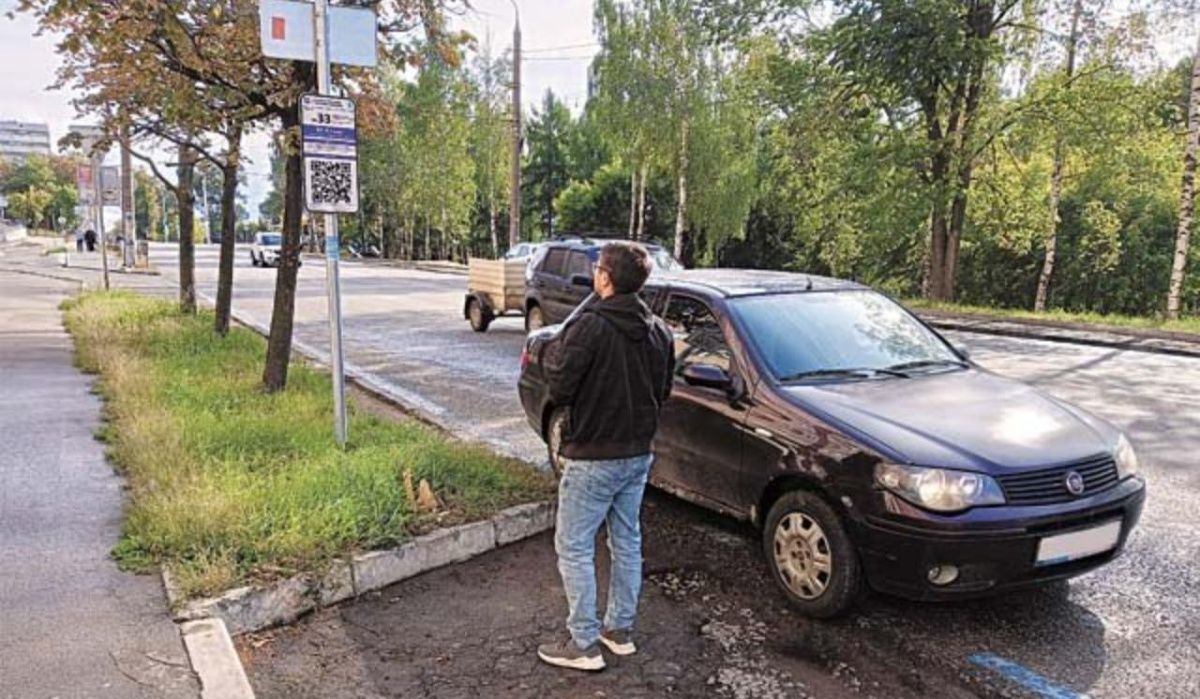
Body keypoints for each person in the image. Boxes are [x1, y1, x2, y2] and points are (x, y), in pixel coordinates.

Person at [536, 241, 675, 672]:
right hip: (637, 454)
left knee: (574, 545)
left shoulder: (589, 325)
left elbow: (559, 386)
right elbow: (662, 391)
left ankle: (583, 644)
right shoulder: (659, 331)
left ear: (605, 278)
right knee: (626, 541)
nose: (595, 273)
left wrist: (551, 352)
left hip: (593, 454)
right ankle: (619, 632)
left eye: (598, 267)